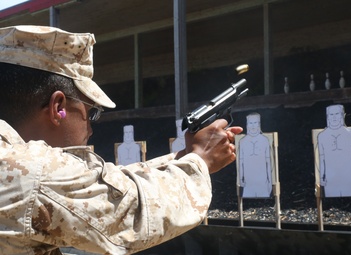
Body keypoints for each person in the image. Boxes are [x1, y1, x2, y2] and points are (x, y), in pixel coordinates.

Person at [0, 25, 242, 255]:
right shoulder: (32, 173)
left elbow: (104, 184)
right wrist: (201, 160)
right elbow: (133, 211)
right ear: (58, 107)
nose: (90, 129)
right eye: (91, 113)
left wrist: (186, 157)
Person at [317, 104, 351, 197]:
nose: (334, 117)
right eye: (331, 115)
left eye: (337, 114)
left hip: (349, 177)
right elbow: (321, 158)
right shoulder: (322, 136)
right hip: (330, 178)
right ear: (328, 117)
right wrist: (321, 177)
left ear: (342, 115)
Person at [237, 113, 272, 198]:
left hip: (263, 181)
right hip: (248, 181)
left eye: (255, 123)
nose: (253, 126)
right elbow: (240, 163)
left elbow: (269, 163)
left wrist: (270, 181)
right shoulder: (242, 141)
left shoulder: (265, 140)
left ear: (259, 124)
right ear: (247, 125)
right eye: (250, 123)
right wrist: (241, 179)